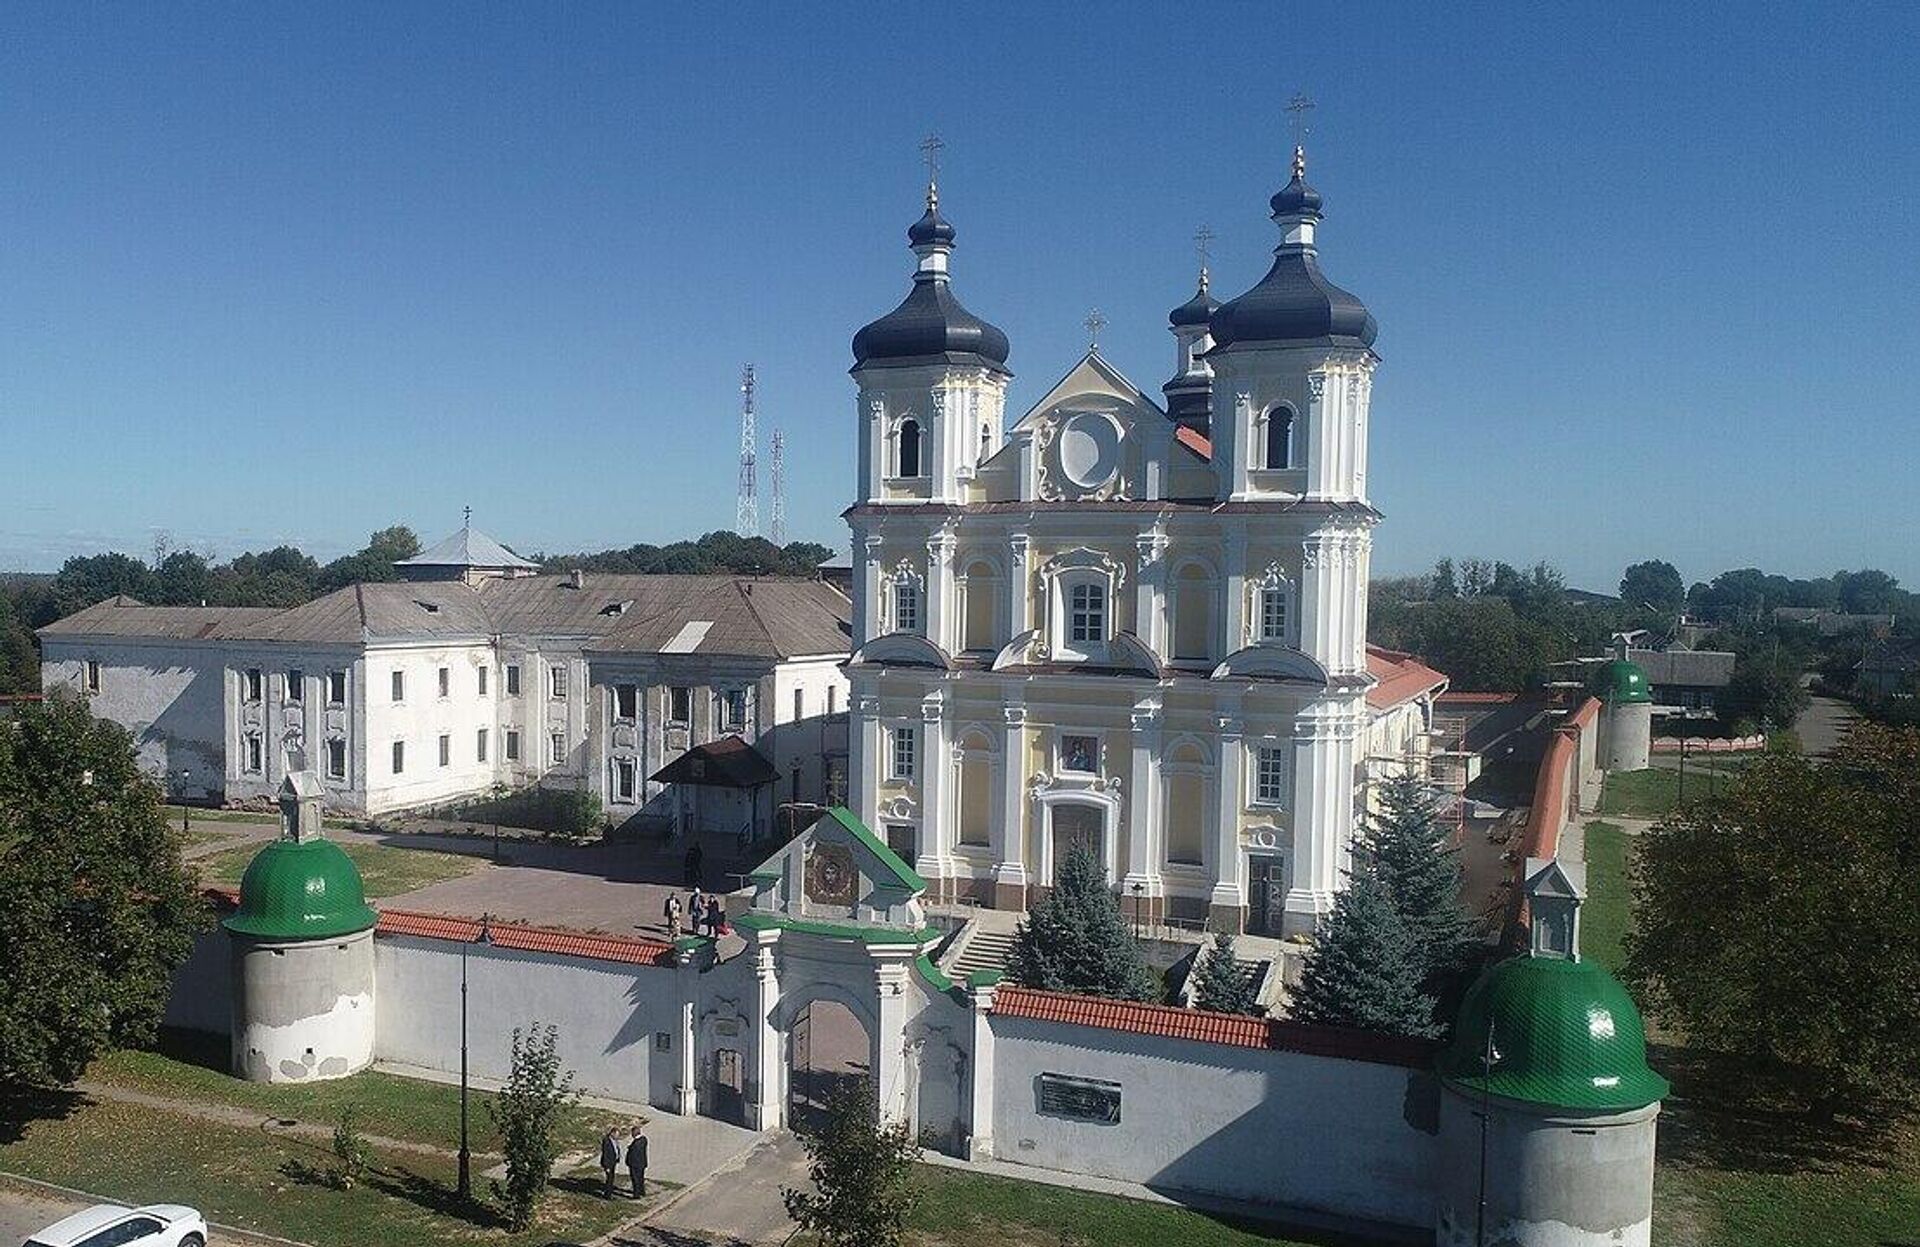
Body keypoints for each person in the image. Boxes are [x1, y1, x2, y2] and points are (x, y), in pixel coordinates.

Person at [626, 1123, 649, 1199]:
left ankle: (636, 1194)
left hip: (635, 1164)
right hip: (642, 1163)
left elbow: (633, 1153)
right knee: (641, 1178)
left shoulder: (635, 1143)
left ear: (634, 1133)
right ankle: (642, 1191)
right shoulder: (644, 1139)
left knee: (635, 1179)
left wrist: (629, 1148)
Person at [599, 1126, 622, 1199]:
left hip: (613, 1162)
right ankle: (607, 1195)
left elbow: (616, 1149)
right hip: (608, 1163)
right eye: (617, 1135)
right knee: (609, 1179)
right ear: (612, 1133)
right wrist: (607, 1166)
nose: (617, 1137)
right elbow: (606, 1154)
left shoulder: (614, 1140)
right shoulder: (607, 1141)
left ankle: (609, 1192)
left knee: (611, 1178)